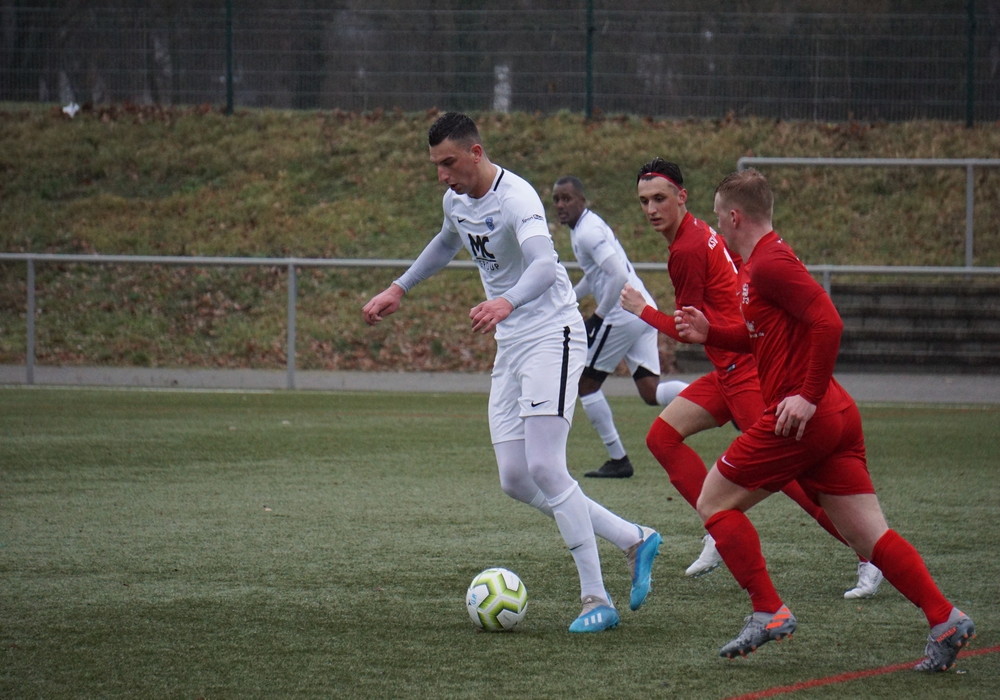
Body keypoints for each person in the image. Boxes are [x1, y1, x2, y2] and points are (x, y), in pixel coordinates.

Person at [361, 112, 662, 633]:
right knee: (516, 478)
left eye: (449, 163)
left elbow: (546, 267)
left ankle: (597, 598)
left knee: (546, 466)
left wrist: (506, 301)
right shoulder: (456, 200)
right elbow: (446, 240)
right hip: (512, 343)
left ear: (476, 153)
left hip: (553, 334)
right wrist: (399, 287)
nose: (442, 175)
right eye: (435, 165)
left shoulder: (517, 197)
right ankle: (633, 538)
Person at [674, 167, 974, 669]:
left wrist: (807, 396)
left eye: (719, 217)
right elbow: (761, 338)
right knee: (867, 535)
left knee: (713, 501)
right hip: (832, 415)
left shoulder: (768, 263)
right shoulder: (758, 267)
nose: (716, 228)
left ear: (734, 215)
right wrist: (711, 332)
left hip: (802, 418)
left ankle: (768, 609)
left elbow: (827, 319)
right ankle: (945, 617)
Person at [620, 157, 882, 599]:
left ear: (682, 198)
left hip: (744, 372)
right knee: (662, 437)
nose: (651, 209)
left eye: (660, 198)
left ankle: (868, 556)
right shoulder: (697, 231)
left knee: (799, 484)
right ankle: (717, 530)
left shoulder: (685, 249)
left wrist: (641, 310)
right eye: (644, 201)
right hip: (728, 367)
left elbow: (688, 330)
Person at [551, 175, 687, 479]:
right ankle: (716, 398)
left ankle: (619, 459)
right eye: (556, 199)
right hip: (640, 307)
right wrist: (569, 300)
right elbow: (598, 275)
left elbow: (615, 276)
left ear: (582, 200)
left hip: (622, 313)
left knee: (585, 385)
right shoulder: (585, 227)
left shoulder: (587, 232)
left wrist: (598, 317)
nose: (561, 205)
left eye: (567, 198)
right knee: (651, 392)